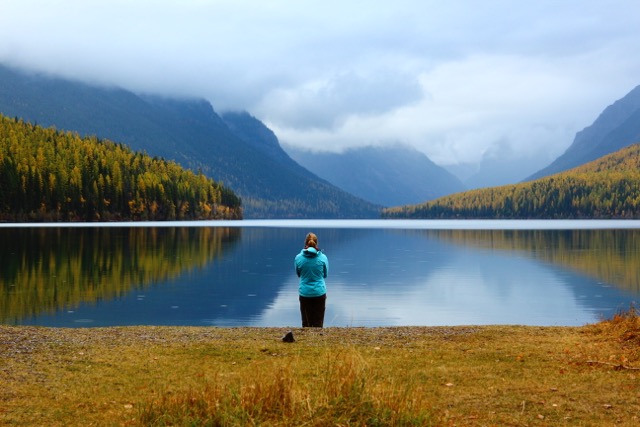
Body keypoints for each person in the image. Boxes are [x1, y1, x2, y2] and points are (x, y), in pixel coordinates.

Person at [294, 232, 329, 327]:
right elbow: (325, 275)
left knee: (306, 323)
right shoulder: (323, 258)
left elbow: (298, 274)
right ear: (316, 243)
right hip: (319, 293)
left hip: (305, 293)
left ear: (305, 244)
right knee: (318, 323)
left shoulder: (298, 258)